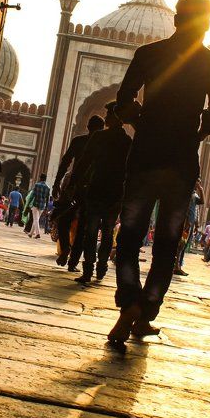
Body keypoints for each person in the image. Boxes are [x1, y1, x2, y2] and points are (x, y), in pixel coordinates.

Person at [107, 0, 210, 345]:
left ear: (176, 19)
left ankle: (129, 304)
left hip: (145, 157)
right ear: (207, 25)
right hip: (181, 163)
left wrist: (142, 123)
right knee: (166, 246)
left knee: (129, 239)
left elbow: (123, 101)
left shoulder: (149, 54)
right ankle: (146, 312)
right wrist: (193, 133)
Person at [70, 101, 132, 284]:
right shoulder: (127, 141)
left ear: (116, 117)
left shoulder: (99, 137)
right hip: (115, 194)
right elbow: (131, 170)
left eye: (108, 115)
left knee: (91, 231)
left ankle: (88, 269)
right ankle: (101, 267)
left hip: (97, 190)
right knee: (107, 232)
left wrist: (74, 184)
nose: (105, 118)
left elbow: (84, 162)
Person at [51, 115, 105, 266]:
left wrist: (57, 182)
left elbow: (65, 162)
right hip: (92, 189)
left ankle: (66, 249)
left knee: (64, 220)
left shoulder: (79, 141)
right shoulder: (104, 145)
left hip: (75, 187)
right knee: (83, 226)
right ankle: (73, 261)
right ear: (102, 129)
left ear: (87, 127)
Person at [27, 173, 50, 239]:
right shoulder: (48, 187)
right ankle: (31, 233)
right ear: (45, 179)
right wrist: (46, 207)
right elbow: (47, 198)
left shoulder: (37, 185)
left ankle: (38, 233)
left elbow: (32, 195)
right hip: (42, 205)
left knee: (36, 219)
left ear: (40, 178)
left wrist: (28, 203)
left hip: (36, 204)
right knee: (36, 219)